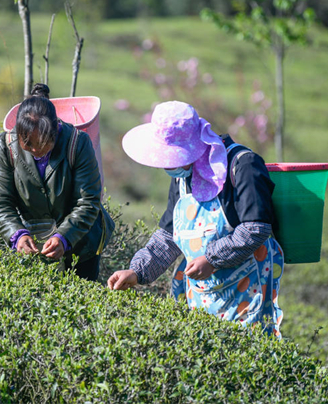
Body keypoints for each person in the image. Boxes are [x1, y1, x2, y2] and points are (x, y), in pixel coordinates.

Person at [107, 101, 284, 335]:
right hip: (202, 297)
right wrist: (137, 272)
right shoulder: (183, 174)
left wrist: (211, 259)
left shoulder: (243, 165)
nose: (169, 167)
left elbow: (255, 229)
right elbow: (169, 236)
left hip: (247, 293)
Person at [0, 83, 113, 281]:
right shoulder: (5, 147)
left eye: (43, 144)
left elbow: (88, 201)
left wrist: (64, 237)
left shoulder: (78, 143)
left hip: (81, 241)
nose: (36, 151)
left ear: (56, 130)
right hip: (33, 240)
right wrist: (17, 235)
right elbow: (0, 201)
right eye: (27, 144)